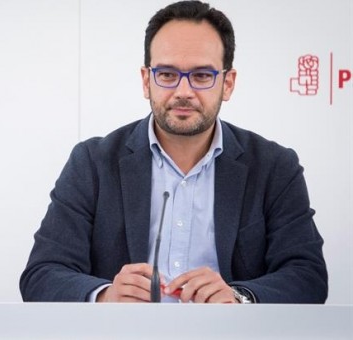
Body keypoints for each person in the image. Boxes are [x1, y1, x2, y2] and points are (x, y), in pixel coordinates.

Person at [20, 1, 327, 303]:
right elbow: (42, 274)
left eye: (202, 76)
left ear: (228, 83)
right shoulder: (92, 163)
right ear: (146, 80)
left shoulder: (275, 167)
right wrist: (105, 297)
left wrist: (239, 298)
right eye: (167, 74)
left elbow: (307, 276)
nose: (183, 91)